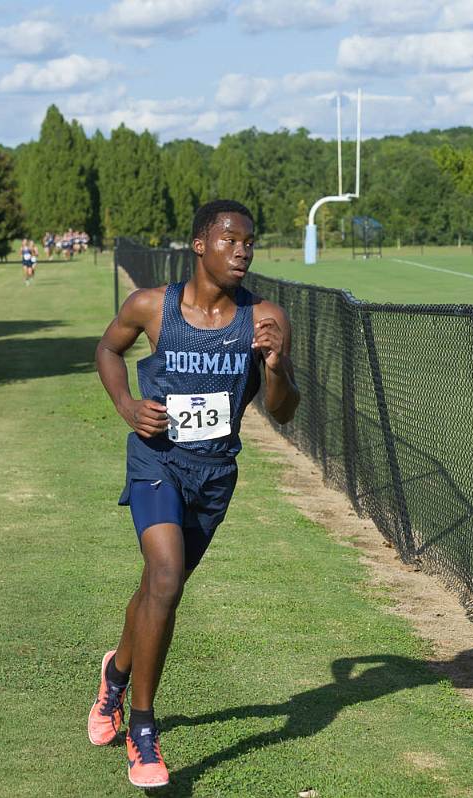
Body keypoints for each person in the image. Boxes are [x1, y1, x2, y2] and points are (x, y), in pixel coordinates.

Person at [89, 199, 299, 789]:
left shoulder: (264, 318)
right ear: (200, 245)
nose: (243, 251)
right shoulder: (152, 306)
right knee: (164, 580)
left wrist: (277, 366)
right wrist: (129, 407)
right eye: (231, 240)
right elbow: (108, 350)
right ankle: (144, 732)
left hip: (213, 475)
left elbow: (283, 412)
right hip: (157, 461)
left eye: (250, 242)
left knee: (159, 587)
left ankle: (116, 674)